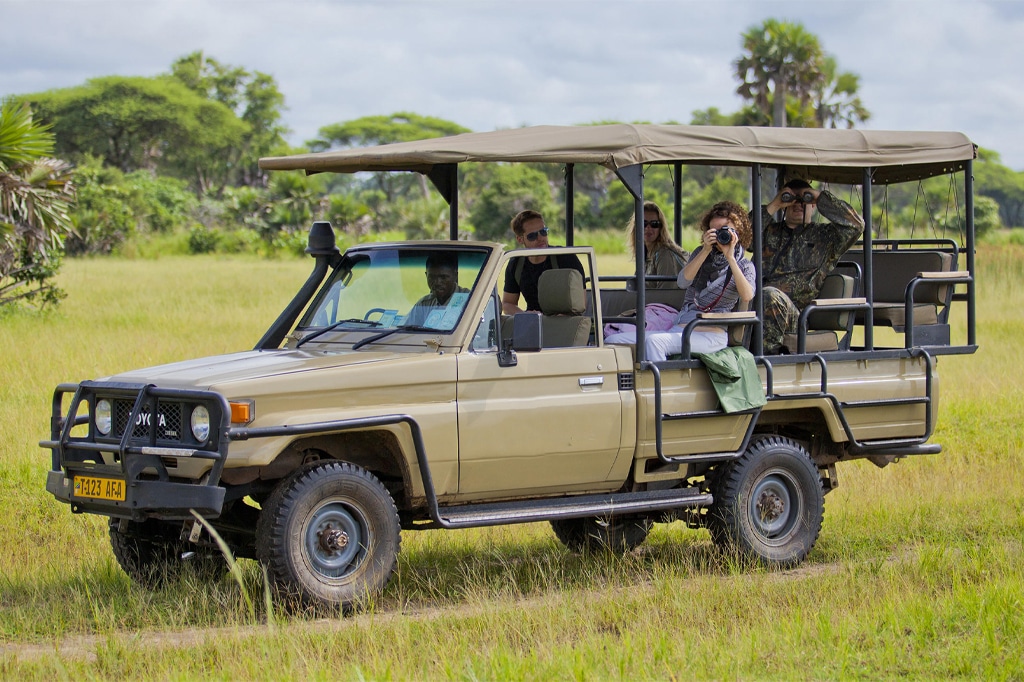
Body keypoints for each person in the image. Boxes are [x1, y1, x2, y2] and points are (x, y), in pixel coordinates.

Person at [605, 201, 756, 362]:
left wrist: (730, 258)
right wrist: (705, 250)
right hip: (680, 328)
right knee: (613, 341)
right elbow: (683, 282)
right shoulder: (701, 254)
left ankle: (660, 386)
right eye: (714, 231)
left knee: (655, 343)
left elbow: (747, 295)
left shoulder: (744, 265)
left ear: (738, 232)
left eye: (725, 230)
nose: (720, 236)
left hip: (711, 334)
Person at [757, 179, 865, 353]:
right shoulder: (769, 233)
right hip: (755, 302)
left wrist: (820, 197)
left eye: (804, 200)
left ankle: (768, 361)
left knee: (769, 295)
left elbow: (856, 226)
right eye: (792, 199)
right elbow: (742, 237)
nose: (798, 204)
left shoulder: (825, 236)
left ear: (813, 205)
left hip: (795, 316)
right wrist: (775, 203)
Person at [502, 209, 585, 315]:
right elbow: (508, 304)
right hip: (533, 324)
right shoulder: (516, 263)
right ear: (520, 239)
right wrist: (526, 316)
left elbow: (581, 303)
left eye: (543, 231)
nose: (540, 238)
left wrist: (555, 320)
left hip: (564, 322)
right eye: (532, 236)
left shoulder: (566, 257)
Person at [627, 201, 687, 289]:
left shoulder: (664, 254)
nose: (648, 228)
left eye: (654, 224)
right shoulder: (645, 254)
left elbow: (665, 294)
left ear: (661, 227)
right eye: (643, 224)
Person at [406, 251, 470, 327]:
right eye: (432, 277)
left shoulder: (469, 300)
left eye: (443, 277)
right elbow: (405, 331)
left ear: (455, 276)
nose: (437, 282)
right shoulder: (424, 305)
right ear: (426, 275)